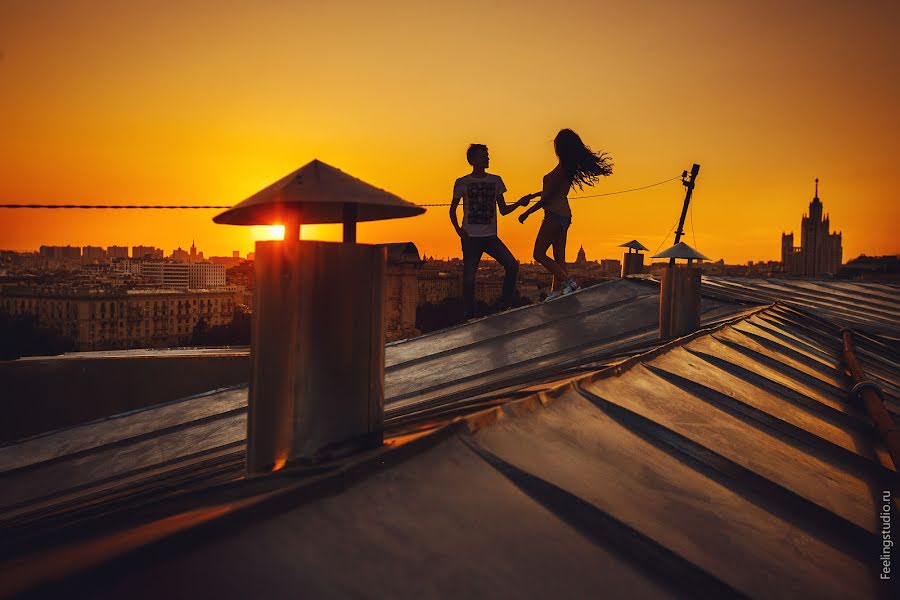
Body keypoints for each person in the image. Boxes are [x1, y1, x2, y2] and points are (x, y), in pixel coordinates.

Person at [518, 129, 613, 299]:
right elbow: (552, 190)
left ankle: (569, 282)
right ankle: (557, 292)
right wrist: (532, 196)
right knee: (559, 258)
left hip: (554, 215)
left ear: (560, 147)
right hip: (563, 216)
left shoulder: (562, 168)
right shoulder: (565, 167)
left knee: (538, 254)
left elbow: (548, 197)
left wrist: (527, 212)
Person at [450, 144, 536, 319]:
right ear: (472, 160)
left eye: (487, 156)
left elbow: (503, 210)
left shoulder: (496, 180)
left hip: (490, 237)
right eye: (484, 156)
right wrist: (459, 230)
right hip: (470, 237)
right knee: (469, 277)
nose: (488, 159)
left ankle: (504, 305)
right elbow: (452, 210)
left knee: (512, 265)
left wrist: (519, 203)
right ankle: (470, 315)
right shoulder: (461, 182)